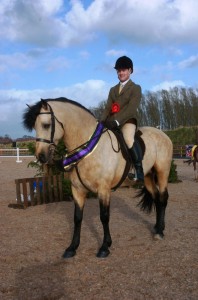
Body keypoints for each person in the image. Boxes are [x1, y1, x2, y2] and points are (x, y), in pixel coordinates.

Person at [101, 55, 144, 181]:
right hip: (111, 121)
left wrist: (117, 121)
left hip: (128, 120)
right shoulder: (113, 90)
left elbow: (131, 109)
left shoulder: (135, 88)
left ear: (130, 71)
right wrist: (101, 121)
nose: (121, 73)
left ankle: (138, 170)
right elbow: (107, 107)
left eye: (123, 70)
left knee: (128, 139)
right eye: (118, 70)